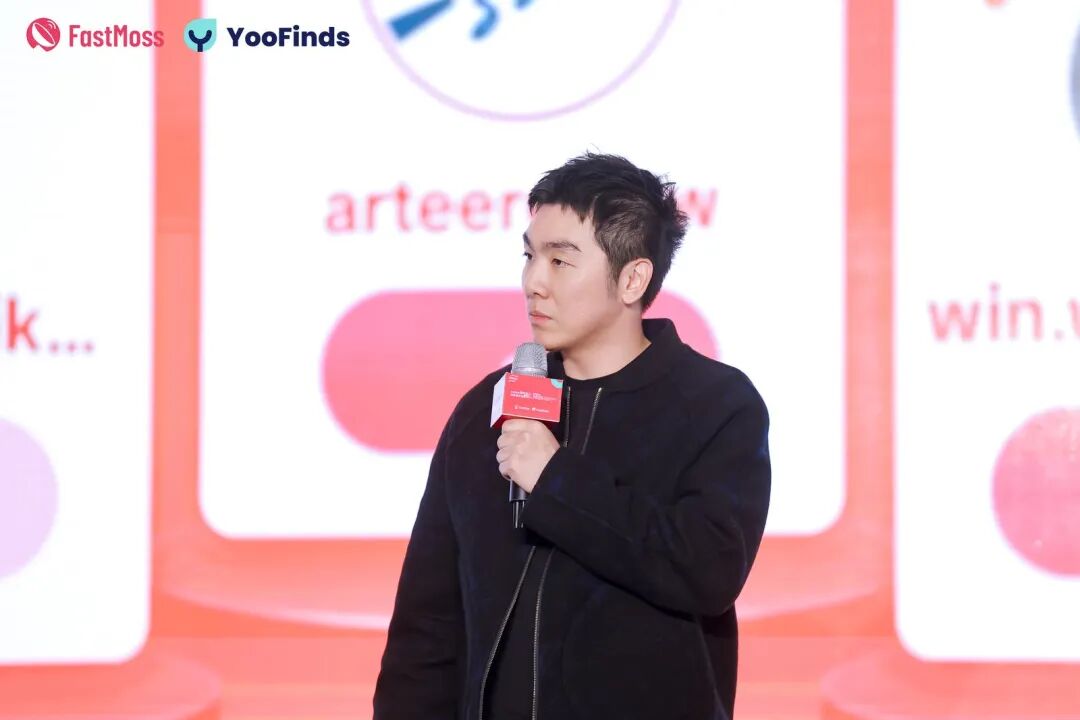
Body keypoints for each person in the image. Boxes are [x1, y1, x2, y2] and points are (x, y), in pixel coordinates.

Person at [373, 151, 771, 720]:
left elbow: (707, 570)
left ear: (632, 278)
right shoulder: (485, 409)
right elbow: (428, 623)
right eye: (529, 256)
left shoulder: (715, 405)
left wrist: (556, 480)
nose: (533, 282)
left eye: (560, 261)